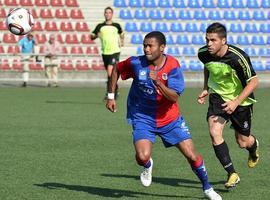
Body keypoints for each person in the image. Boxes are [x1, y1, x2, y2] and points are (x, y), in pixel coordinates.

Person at [106, 31, 222, 200]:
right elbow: (116, 69)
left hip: (170, 119)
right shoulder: (136, 62)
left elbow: (174, 96)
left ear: (162, 48)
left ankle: (207, 188)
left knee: (192, 155)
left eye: (150, 46)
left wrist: (158, 82)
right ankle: (148, 165)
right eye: (144, 45)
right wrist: (111, 96)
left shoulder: (173, 65)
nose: (146, 49)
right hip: (143, 118)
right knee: (142, 157)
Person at [197, 22, 259, 189]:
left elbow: (254, 82)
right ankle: (232, 173)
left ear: (223, 41)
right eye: (207, 39)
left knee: (242, 142)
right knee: (214, 131)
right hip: (218, 97)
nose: (209, 44)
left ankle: (253, 148)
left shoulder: (238, 57)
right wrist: (205, 88)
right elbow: (208, 67)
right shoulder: (203, 53)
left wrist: (235, 102)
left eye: (213, 40)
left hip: (241, 101)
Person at [91, 6, 124, 99]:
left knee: (110, 72)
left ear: (112, 14)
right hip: (105, 52)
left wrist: (122, 41)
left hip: (115, 51)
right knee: (110, 74)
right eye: (106, 12)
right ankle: (115, 89)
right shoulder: (100, 26)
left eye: (109, 12)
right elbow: (92, 36)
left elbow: (122, 33)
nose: (107, 14)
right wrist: (95, 36)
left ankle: (110, 93)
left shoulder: (116, 25)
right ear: (104, 14)